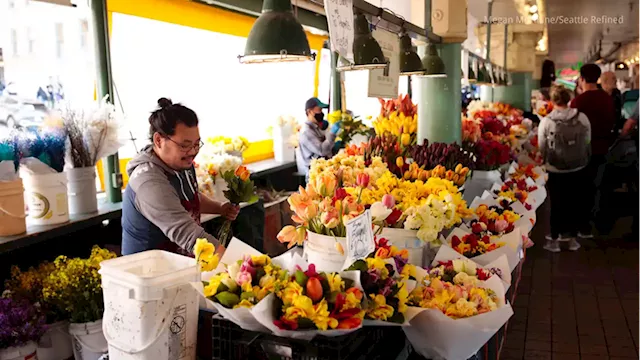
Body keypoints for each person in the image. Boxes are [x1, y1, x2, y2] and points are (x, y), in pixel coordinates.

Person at [121, 98, 239, 256]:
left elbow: (189, 197)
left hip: (179, 264)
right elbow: (189, 235)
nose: (192, 152)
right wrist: (239, 266)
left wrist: (219, 208)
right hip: (149, 271)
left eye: (196, 144)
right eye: (184, 145)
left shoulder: (180, 162)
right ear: (158, 140)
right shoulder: (149, 182)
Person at [539, 86, 591, 252]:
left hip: (555, 168)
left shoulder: (547, 121)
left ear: (552, 101)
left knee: (556, 203)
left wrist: (545, 160)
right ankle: (572, 240)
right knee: (574, 202)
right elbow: (588, 140)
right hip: (578, 166)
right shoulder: (581, 117)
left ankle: (554, 240)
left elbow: (542, 146)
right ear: (569, 99)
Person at [570, 63, 615, 237]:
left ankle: (582, 226)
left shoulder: (578, 101)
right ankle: (598, 225)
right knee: (598, 187)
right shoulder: (607, 99)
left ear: (581, 79)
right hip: (603, 148)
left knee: (582, 188)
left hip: (582, 151)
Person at [298, 97, 340, 176]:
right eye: (319, 110)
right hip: (314, 175)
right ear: (310, 111)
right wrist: (332, 134)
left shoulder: (316, 128)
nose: (321, 113)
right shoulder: (306, 132)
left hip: (323, 172)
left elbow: (325, 150)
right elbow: (322, 150)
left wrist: (333, 148)